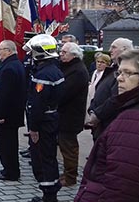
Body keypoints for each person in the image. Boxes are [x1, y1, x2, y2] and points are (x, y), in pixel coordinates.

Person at [74, 49, 139, 202]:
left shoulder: (132, 118)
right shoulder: (129, 107)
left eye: (128, 73)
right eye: (119, 72)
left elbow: (121, 187)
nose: (120, 78)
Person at [23, 34, 64, 202]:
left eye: (32, 52)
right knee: (49, 157)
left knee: (42, 159)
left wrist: (33, 128)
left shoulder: (44, 75)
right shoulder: (54, 70)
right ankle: (50, 193)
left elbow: (37, 104)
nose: (29, 55)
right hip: (51, 119)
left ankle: (49, 196)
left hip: (43, 124)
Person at [0, 40, 26, 181]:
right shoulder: (13, 65)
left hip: (7, 115)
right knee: (9, 143)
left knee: (7, 144)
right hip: (12, 114)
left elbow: (5, 95)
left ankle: (10, 171)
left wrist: (0, 114)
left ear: (10, 51)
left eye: (1, 49)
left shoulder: (9, 68)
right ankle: (10, 168)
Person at [86, 37, 133, 140]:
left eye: (114, 47)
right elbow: (99, 89)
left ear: (124, 50)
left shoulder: (123, 72)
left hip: (109, 124)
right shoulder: (113, 69)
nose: (110, 50)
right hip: (101, 123)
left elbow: (116, 98)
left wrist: (97, 114)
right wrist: (92, 109)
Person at [57, 42, 89, 187]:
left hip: (70, 116)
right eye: (61, 52)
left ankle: (70, 176)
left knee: (69, 147)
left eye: (64, 53)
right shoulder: (69, 68)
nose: (61, 55)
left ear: (74, 55)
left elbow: (65, 92)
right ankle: (67, 172)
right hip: (65, 115)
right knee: (65, 146)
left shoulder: (77, 71)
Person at [86, 53, 111, 121]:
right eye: (98, 62)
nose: (99, 64)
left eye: (102, 62)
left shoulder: (106, 75)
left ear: (107, 64)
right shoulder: (95, 72)